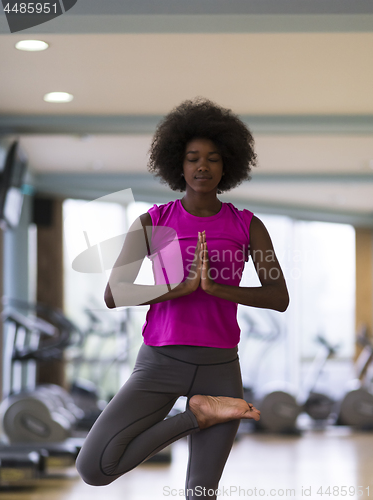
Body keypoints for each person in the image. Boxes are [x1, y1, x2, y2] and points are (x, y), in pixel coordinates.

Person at [76, 98, 289, 499]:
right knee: (95, 467)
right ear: (179, 164)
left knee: (201, 493)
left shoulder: (248, 226)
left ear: (228, 166)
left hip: (221, 366)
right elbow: (114, 293)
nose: (202, 166)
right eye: (193, 158)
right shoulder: (152, 222)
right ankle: (195, 417)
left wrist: (219, 289)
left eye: (212, 158)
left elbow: (279, 296)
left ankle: (204, 413)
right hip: (159, 363)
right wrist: (181, 288)